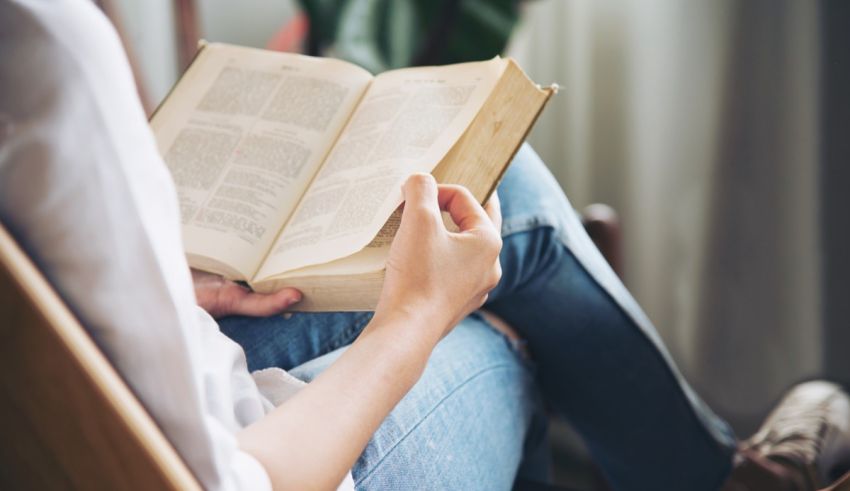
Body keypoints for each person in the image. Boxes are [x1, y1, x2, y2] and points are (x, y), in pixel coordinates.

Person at [1, 1, 848, 490]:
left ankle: (717, 473)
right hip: (217, 461)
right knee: (496, 334)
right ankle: (721, 480)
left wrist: (169, 280)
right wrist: (413, 318)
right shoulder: (40, 45)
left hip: (108, 395)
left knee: (496, 196)